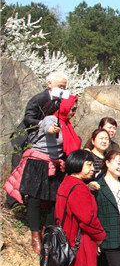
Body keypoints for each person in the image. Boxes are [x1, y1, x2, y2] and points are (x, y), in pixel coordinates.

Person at [4, 96, 79, 254]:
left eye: (76, 109)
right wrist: (52, 129)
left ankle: (46, 234)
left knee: (55, 202)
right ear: (65, 107)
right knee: (34, 200)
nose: (74, 112)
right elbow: (47, 127)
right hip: (38, 163)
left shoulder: (67, 125)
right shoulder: (52, 118)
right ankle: (35, 236)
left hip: (55, 165)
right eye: (72, 108)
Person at [7, 71, 68, 208]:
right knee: (18, 171)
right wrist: (44, 124)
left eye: (64, 86)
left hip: (44, 144)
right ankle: (12, 204)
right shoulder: (39, 98)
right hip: (25, 140)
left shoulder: (60, 101)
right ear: (49, 84)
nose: (62, 89)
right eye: (60, 85)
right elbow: (28, 118)